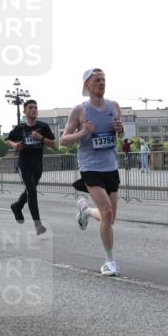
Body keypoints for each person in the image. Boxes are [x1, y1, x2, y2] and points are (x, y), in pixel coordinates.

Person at [61, 68, 125, 276]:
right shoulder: (79, 110)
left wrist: (120, 130)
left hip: (110, 165)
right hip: (90, 166)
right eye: (98, 80)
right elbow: (64, 139)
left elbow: (122, 138)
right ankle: (110, 261)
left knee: (110, 217)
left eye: (104, 80)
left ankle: (86, 211)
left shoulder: (114, 107)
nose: (102, 83)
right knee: (106, 212)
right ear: (87, 85)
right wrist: (83, 132)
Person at [7, 99, 56, 235]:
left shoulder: (43, 126)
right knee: (32, 193)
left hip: (38, 166)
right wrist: (14, 145)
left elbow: (54, 144)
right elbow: (8, 140)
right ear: (24, 111)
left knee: (30, 191)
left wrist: (41, 138)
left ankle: (17, 206)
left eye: (35, 107)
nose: (34, 110)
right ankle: (38, 225)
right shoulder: (20, 128)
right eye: (30, 108)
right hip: (24, 165)